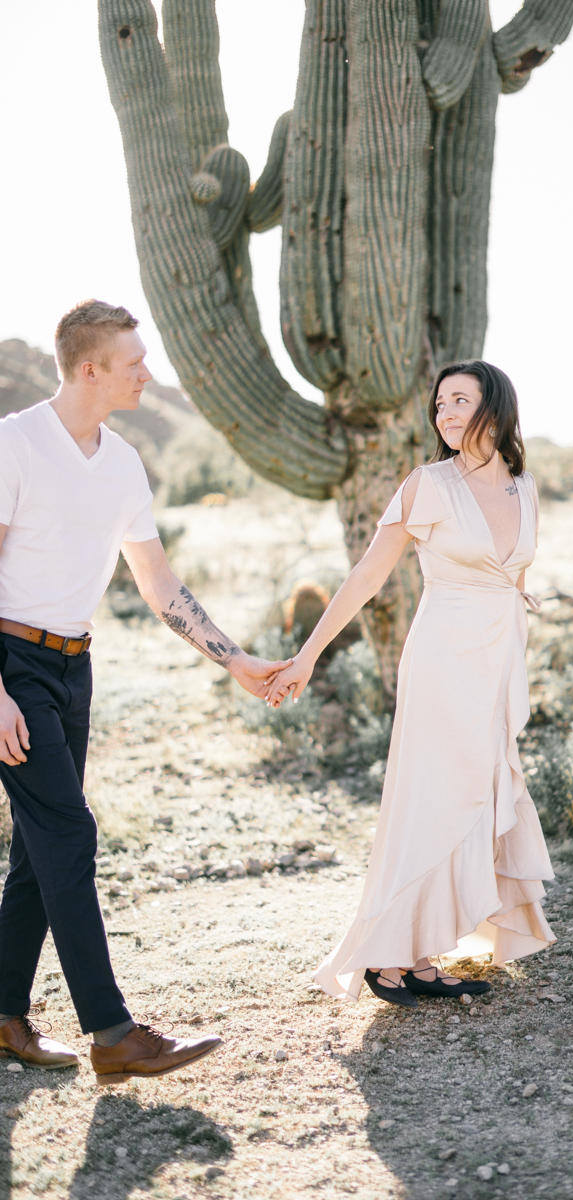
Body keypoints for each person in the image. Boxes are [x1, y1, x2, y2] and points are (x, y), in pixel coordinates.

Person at [0, 300, 288, 1081]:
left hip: (73, 666)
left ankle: (2, 1018)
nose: (147, 374)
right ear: (89, 369)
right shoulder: (15, 444)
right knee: (68, 834)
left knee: (38, 845)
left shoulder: (123, 462)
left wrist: (233, 659)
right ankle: (112, 1033)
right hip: (11, 666)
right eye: (133, 363)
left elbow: (158, 583)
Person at [266, 360, 555, 1007]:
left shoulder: (523, 487)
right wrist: (309, 655)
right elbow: (368, 575)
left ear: (496, 406)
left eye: (460, 400)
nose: (446, 414)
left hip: (498, 660)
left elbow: (515, 575)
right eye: (440, 404)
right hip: (443, 659)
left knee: (477, 796)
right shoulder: (429, 485)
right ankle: (390, 955)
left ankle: (425, 953)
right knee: (432, 798)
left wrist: (523, 607)